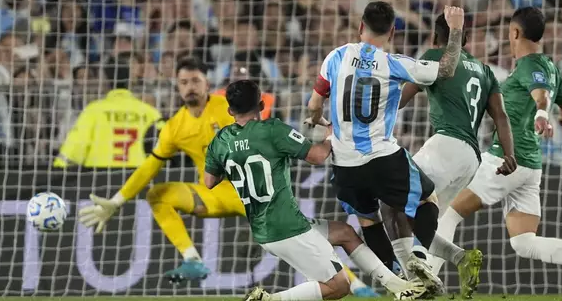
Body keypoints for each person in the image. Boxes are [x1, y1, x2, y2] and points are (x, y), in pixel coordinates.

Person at [77, 57, 378, 296]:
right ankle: (192, 260)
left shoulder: (228, 108)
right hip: (214, 195)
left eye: (195, 80)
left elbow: (263, 125)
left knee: (306, 238)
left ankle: (357, 285)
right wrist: (116, 201)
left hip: (254, 195)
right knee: (157, 194)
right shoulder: (174, 127)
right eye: (183, 82)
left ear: (207, 83)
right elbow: (149, 167)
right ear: (177, 86)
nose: (190, 87)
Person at [436, 7, 562, 299]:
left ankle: (429, 283)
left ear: (515, 33)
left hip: (506, 160)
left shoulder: (527, 66)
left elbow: (541, 95)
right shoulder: (551, 66)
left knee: (447, 213)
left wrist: (542, 113)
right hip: (531, 166)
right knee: (524, 243)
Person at [204, 80, 426, 301]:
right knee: (339, 286)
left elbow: (209, 181)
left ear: (230, 110)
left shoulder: (220, 141)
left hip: (265, 228)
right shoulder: (272, 130)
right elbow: (318, 156)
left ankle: (398, 287)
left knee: (345, 233)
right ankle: (269, 300)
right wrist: (330, 135)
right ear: (261, 105)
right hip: (287, 228)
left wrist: (237, 163)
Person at [306, 2, 465, 296]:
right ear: (392, 32)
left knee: (369, 220)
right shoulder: (395, 63)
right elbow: (447, 69)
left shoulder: (336, 57)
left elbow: (314, 105)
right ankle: (414, 258)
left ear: (359, 27)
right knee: (426, 197)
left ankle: (401, 283)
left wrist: (320, 122)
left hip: (344, 165)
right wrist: (455, 29)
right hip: (381, 156)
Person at [382, 13, 517, 299]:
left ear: (434, 37)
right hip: (471, 158)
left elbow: (402, 100)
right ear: (465, 39)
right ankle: (460, 258)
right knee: (421, 220)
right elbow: (501, 117)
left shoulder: (435, 56)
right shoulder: (485, 70)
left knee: (393, 202)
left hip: (444, 145)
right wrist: (509, 153)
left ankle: (416, 282)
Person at [53, 55, 162, 169]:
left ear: (105, 81)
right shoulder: (150, 113)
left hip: (101, 179)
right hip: (138, 178)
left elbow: (75, 148)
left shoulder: (94, 110)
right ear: (130, 81)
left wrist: (57, 169)